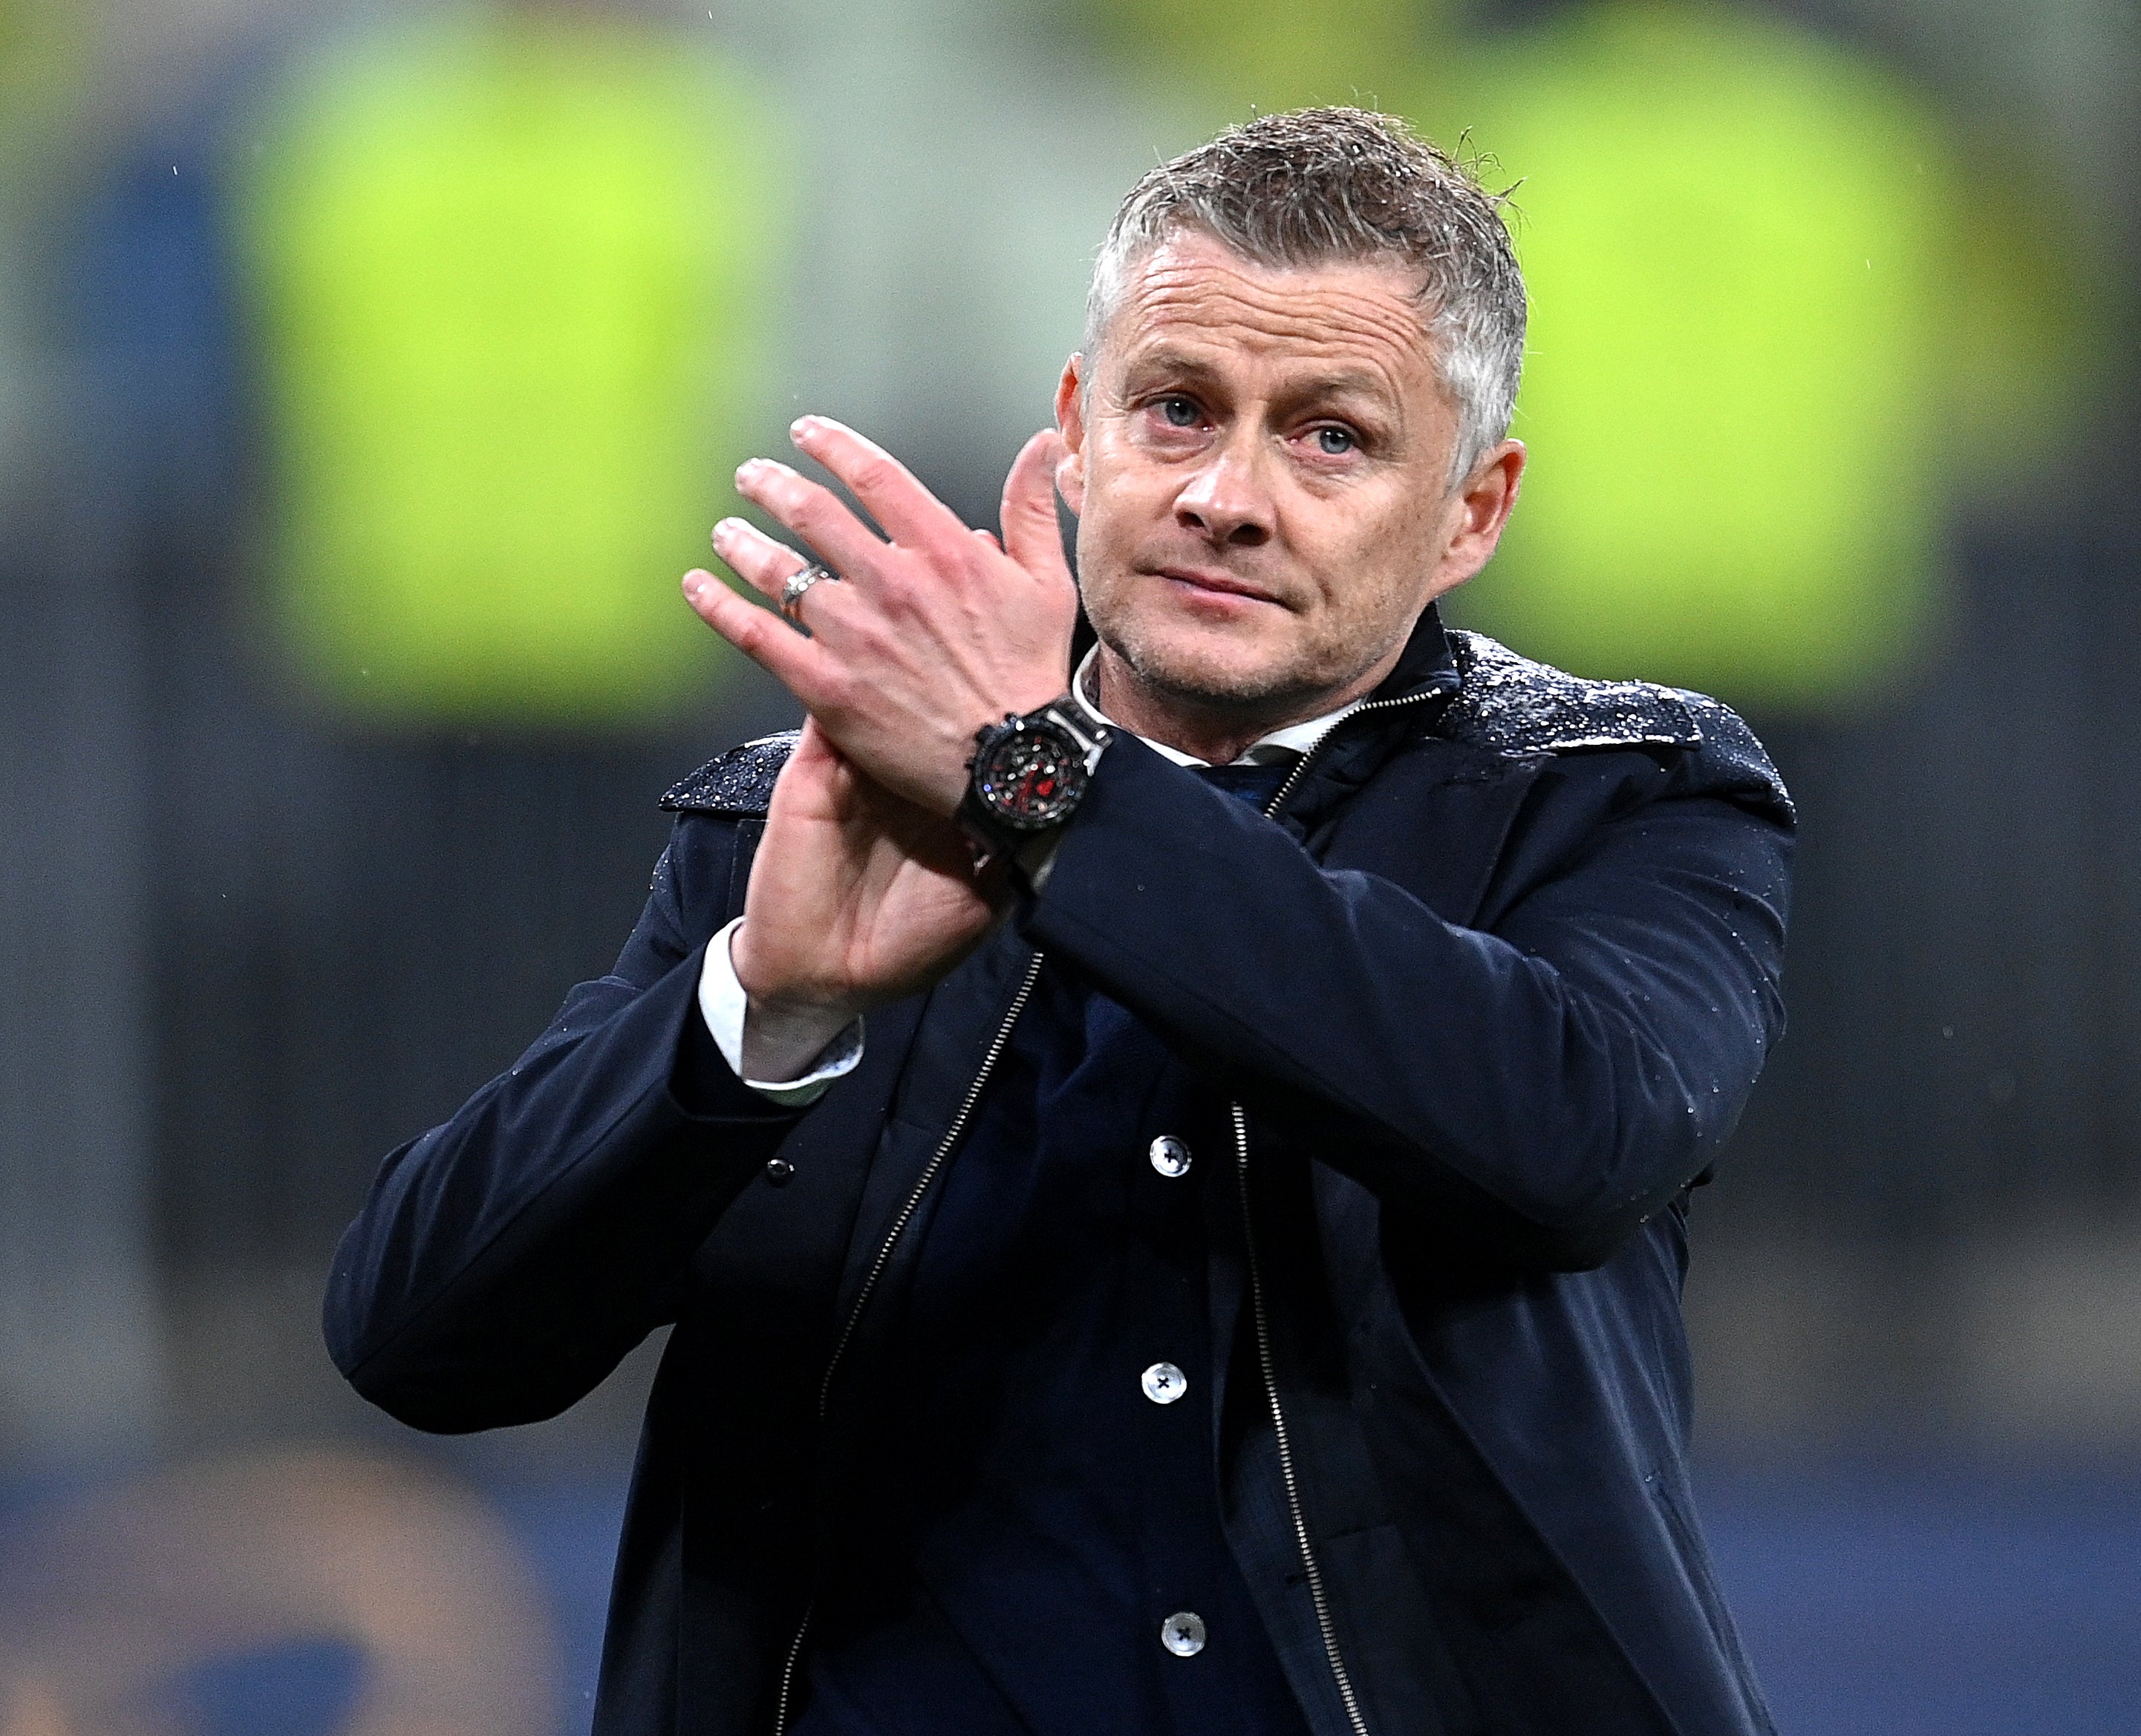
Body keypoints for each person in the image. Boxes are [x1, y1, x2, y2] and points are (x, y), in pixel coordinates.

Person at [326, 107, 1795, 1736]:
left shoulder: (1616, 789)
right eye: (1176, 410)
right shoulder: (794, 819)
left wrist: (1048, 788)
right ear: (1074, 434)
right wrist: (764, 1003)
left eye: (1330, 437)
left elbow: (1565, 1132)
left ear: (1468, 510)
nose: (1228, 495)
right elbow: (423, 1338)